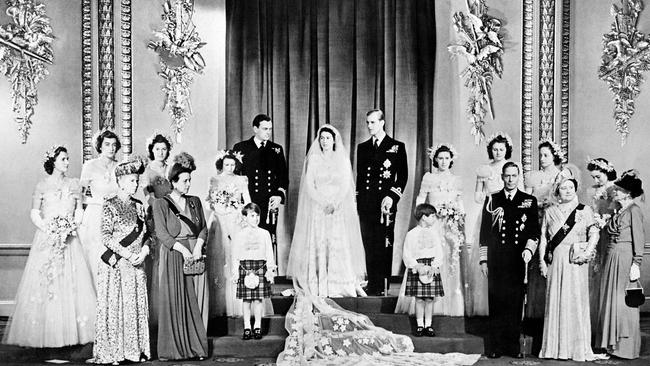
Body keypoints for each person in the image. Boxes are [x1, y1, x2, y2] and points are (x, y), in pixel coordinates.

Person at [3, 146, 96, 347]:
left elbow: (79, 210)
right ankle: (47, 334)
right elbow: (35, 212)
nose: (67, 162)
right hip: (48, 238)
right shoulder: (42, 186)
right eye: (63, 159)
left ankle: (73, 334)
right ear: (53, 162)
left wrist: (73, 225)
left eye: (68, 159)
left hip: (70, 238)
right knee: (48, 281)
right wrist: (49, 228)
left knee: (71, 282)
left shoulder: (73, 184)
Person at [287, 125, 367, 297]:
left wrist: (335, 203)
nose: (324, 141)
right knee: (319, 242)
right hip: (319, 208)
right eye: (322, 138)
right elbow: (309, 185)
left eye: (327, 138)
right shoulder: (314, 159)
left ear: (334, 140)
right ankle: (318, 282)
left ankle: (338, 284)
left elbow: (346, 184)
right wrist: (323, 202)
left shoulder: (342, 160)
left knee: (336, 243)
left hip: (336, 209)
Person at [93, 156, 150, 364]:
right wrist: (127, 255)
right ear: (120, 181)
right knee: (116, 308)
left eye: (136, 180)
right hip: (117, 264)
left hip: (137, 264)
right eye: (131, 180)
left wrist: (143, 252)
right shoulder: (110, 205)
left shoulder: (139, 206)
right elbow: (106, 237)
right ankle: (115, 352)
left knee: (134, 307)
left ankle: (135, 351)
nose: (135, 184)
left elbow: (147, 234)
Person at [479, 162, 539, 358]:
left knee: (514, 303)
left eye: (514, 176)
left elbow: (533, 231)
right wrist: (483, 260)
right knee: (497, 302)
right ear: (502, 177)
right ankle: (495, 346)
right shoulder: (492, 199)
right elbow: (485, 233)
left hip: (517, 260)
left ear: (519, 176)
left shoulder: (529, 200)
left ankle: (512, 346)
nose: (511, 179)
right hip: (496, 260)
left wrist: (529, 251)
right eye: (507, 176)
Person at [153, 152, 208, 360]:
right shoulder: (160, 204)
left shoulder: (195, 201)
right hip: (175, 255)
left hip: (194, 252)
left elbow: (203, 228)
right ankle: (173, 350)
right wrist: (184, 250)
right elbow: (162, 234)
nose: (188, 184)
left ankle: (195, 347)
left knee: (194, 302)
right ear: (173, 181)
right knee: (175, 301)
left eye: (190, 180)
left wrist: (197, 247)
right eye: (184, 181)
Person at [537, 178, 599, 361]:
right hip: (556, 259)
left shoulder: (584, 210)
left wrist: (587, 252)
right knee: (556, 300)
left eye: (571, 187)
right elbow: (544, 239)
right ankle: (555, 349)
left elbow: (594, 233)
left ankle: (576, 348)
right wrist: (542, 262)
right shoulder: (549, 212)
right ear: (557, 192)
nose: (568, 191)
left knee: (575, 301)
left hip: (576, 260)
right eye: (563, 188)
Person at [466, 132, 521, 316]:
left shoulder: (513, 169)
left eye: (501, 149)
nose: (498, 152)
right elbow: (477, 197)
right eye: (495, 149)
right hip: (490, 214)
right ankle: (486, 305)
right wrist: (481, 184)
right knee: (488, 256)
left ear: (507, 150)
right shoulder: (484, 169)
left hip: (509, 216)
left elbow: (518, 193)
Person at [356, 109, 408, 296]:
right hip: (366, 203)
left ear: (382, 122)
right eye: (368, 122)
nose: (370, 126)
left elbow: (402, 177)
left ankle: (384, 283)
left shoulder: (396, 147)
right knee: (368, 243)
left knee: (384, 242)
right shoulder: (362, 147)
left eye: (373, 122)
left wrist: (392, 197)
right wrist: (358, 201)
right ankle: (373, 283)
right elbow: (360, 178)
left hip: (385, 203)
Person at [523, 139, 575, 319]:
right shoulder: (533, 176)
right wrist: (536, 206)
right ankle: (535, 313)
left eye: (546, 155)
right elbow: (527, 200)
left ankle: (555, 313)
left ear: (554, 156)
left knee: (553, 258)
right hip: (536, 221)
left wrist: (551, 205)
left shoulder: (562, 175)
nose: (542, 159)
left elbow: (567, 198)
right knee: (537, 264)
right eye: (541, 155)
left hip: (555, 222)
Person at [596, 169, 645, 359]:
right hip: (612, 257)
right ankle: (610, 346)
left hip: (624, 259)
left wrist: (636, 263)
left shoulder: (634, 210)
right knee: (611, 300)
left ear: (628, 193)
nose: (615, 191)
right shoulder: (619, 210)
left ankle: (625, 348)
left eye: (619, 189)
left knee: (624, 303)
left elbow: (639, 239)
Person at [232, 114, 289, 266]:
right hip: (248, 203)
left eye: (270, 129)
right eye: (265, 129)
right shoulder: (241, 148)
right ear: (255, 129)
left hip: (268, 204)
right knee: (247, 240)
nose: (268, 132)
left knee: (266, 239)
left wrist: (278, 196)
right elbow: (234, 177)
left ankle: (265, 277)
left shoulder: (276, 149)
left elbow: (283, 177)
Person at [415, 144, 464, 316]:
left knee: (450, 260)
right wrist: (422, 219)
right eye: (440, 158)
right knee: (431, 258)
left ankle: (449, 302)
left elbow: (459, 202)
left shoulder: (456, 180)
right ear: (435, 159)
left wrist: (458, 216)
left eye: (446, 158)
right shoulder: (429, 177)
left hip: (450, 225)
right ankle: (428, 301)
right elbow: (421, 199)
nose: (443, 161)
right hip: (432, 224)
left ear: (451, 160)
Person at [206, 150, 250, 317]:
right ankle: (220, 302)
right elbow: (209, 201)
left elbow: (248, 200)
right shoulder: (215, 179)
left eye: (232, 164)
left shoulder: (241, 180)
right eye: (227, 165)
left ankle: (238, 304)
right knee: (221, 256)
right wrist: (220, 208)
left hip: (236, 219)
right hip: (220, 219)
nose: (230, 167)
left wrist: (241, 213)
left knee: (236, 256)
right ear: (221, 165)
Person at [140, 132, 173, 336]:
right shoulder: (147, 171)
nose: (160, 152)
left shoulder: (171, 169)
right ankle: (155, 312)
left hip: (172, 214)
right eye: (157, 149)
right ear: (151, 150)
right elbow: (148, 195)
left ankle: (170, 308)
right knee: (156, 258)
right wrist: (159, 209)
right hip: (155, 214)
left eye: (164, 149)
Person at [395, 203, 444, 337]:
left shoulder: (435, 234)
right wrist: (416, 266)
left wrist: (434, 265)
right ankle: (419, 325)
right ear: (423, 217)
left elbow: (439, 252)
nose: (435, 219)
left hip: (431, 266)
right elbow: (407, 253)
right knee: (419, 299)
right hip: (418, 267)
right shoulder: (411, 234)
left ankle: (428, 325)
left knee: (429, 299)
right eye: (432, 216)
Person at [79, 130, 120, 283]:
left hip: (115, 215)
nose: (111, 148)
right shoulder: (90, 166)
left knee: (112, 254)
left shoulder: (120, 166)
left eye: (114, 145)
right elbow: (80, 193)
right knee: (94, 254)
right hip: (95, 214)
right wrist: (93, 202)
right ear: (100, 146)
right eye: (107, 144)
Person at [231, 203, 276, 340]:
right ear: (245, 217)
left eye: (257, 215)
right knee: (246, 300)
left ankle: (257, 326)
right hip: (245, 267)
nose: (255, 218)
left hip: (260, 267)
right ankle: (247, 327)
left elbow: (269, 252)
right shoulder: (239, 235)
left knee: (257, 299)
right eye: (252, 216)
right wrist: (235, 272)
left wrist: (270, 270)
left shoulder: (265, 233)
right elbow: (236, 255)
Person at [585, 158, 617, 330]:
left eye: (598, 177)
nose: (596, 181)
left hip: (610, 233)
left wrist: (606, 220)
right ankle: (593, 325)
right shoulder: (592, 191)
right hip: (596, 232)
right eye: (593, 177)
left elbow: (618, 213)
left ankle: (607, 325)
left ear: (606, 172)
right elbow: (591, 210)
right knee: (595, 276)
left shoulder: (616, 189)